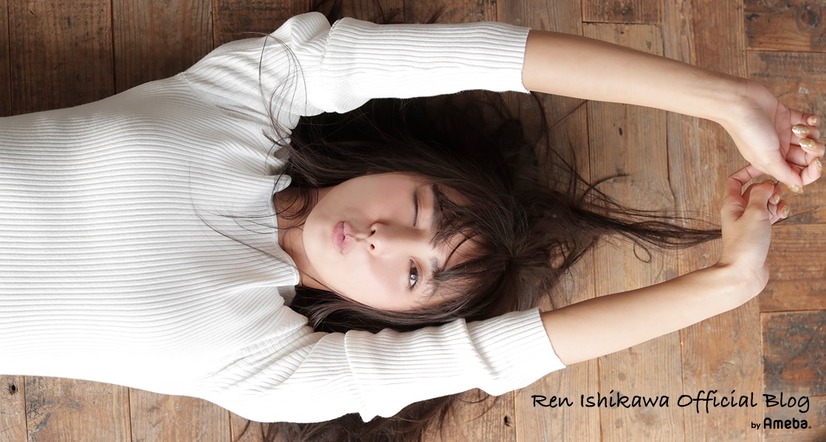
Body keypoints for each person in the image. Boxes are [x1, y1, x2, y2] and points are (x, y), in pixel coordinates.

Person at [0, 10, 822, 441]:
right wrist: (727, 99)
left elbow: (499, 355)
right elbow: (490, 58)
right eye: (417, 209)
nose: (382, 238)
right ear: (396, 164)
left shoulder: (265, 366)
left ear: (392, 317)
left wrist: (729, 284)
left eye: (414, 273)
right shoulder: (245, 98)